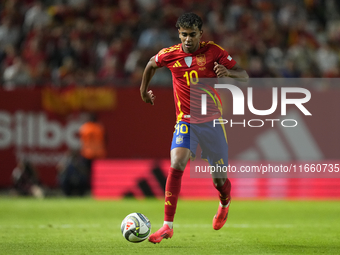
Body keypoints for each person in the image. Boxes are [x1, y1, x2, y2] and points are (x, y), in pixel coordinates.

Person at [140, 12, 248, 244]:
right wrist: (143, 91)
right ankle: (167, 226)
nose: (188, 39)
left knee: (219, 180)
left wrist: (228, 72)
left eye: (192, 35)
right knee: (177, 161)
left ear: (201, 34)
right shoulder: (169, 55)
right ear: (179, 34)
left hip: (212, 122)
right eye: (183, 35)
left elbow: (245, 75)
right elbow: (150, 64)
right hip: (186, 120)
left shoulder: (214, 52)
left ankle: (224, 202)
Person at [78, 112, 107, 188]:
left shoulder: (85, 127)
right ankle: (98, 187)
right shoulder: (99, 127)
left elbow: (81, 140)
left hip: (87, 153)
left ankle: (87, 187)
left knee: (86, 172)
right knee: (98, 173)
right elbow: (105, 139)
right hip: (98, 153)